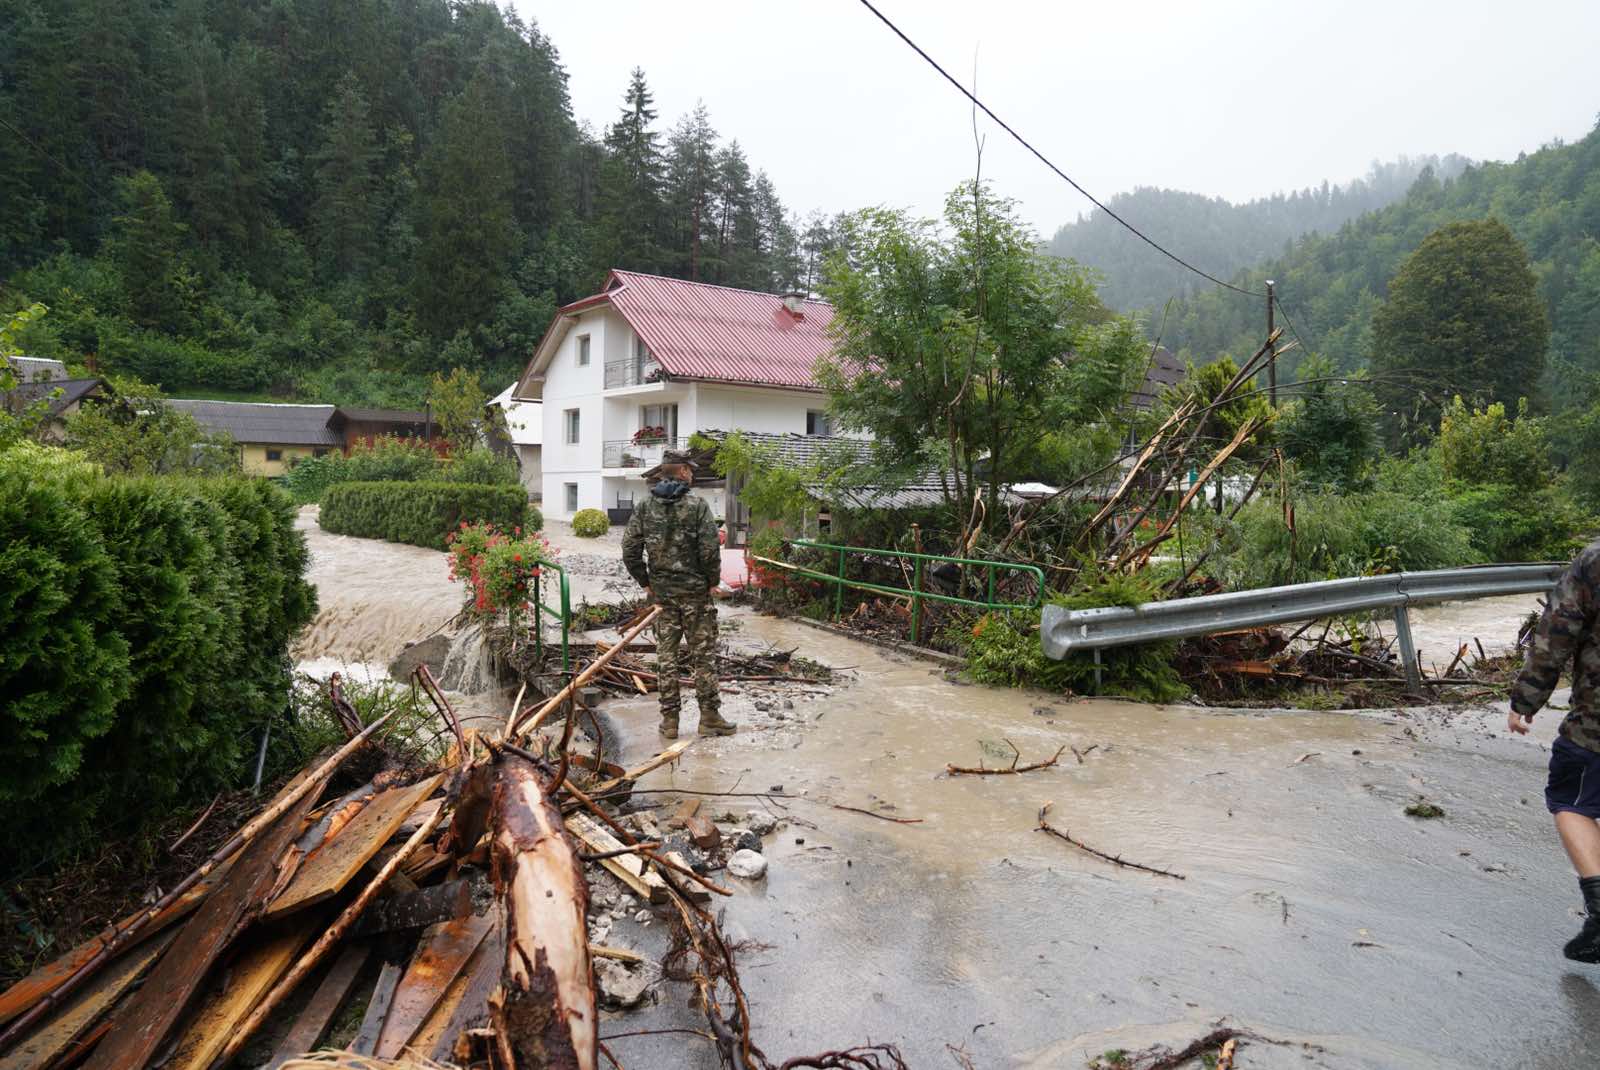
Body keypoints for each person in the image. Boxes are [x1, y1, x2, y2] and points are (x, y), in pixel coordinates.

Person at [1508, 542, 1600, 963]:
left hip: (1595, 727)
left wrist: (1526, 699)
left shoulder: (1594, 560)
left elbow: (1557, 632)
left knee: (1570, 800)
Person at [621, 454, 736, 739]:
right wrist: (711, 581)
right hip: (695, 594)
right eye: (691, 470)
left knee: (667, 657)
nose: (693, 475)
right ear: (683, 472)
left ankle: (670, 722)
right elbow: (710, 550)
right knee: (703, 656)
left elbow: (630, 549)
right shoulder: (697, 506)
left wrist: (645, 582)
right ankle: (709, 718)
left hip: (662, 596)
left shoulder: (645, 506)